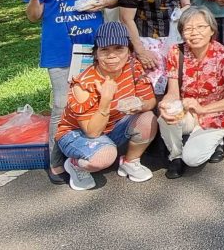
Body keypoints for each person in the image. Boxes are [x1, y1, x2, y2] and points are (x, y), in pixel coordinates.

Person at [24, 0, 118, 185]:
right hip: (60, 48)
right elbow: (34, 16)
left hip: (94, 48)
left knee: (97, 100)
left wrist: (103, 3)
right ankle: (55, 163)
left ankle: (93, 149)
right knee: (61, 104)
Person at [56, 22, 159, 190]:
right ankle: (75, 164)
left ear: (129, 51)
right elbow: (92, 132)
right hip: (76, 134)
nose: (112, 56)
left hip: (112, 127)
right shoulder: (84, 84)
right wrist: (105, 100)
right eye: (104, 50)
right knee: (105, 156)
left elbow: (151, 102)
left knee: (148, 118)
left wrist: (139, 104)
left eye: (119, 48)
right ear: (96, 53)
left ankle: (130, 161)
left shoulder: (133, 67)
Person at [157, 6, 224, 178]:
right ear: (182, 33)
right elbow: (173, 92)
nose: (194, 33)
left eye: (201, 27)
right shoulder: (176, 51)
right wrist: (165, 103)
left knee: (194, 159)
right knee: (164, 116)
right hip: (187, 111)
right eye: (188, 29)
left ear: (212, 30)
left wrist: (203, 109)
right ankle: (176, 156)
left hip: (215, 114)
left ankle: (217, 140)